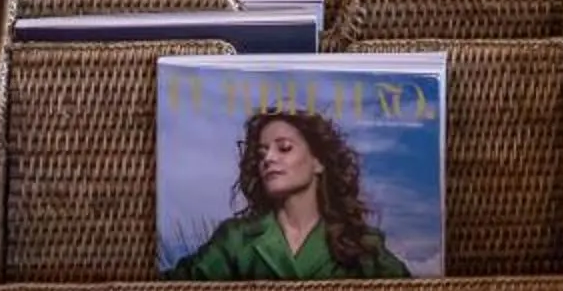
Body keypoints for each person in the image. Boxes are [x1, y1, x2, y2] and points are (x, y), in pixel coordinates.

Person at [166, 104, 411, 281]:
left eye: (284, 148)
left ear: (318, 161)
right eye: (261, 154)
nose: (269, 159)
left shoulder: (362, 245)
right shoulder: (235, 239)